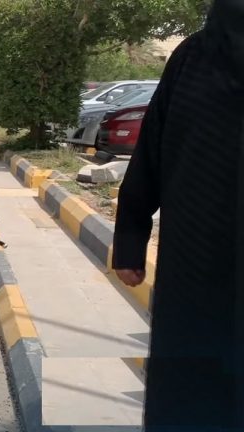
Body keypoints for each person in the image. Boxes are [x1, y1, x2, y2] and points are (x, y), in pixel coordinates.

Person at [112, 1, 244, 430]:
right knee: (191, 392)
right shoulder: (194, 58)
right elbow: (152, 150)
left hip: (193, 266)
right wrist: (130, 239)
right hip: (195, 265)